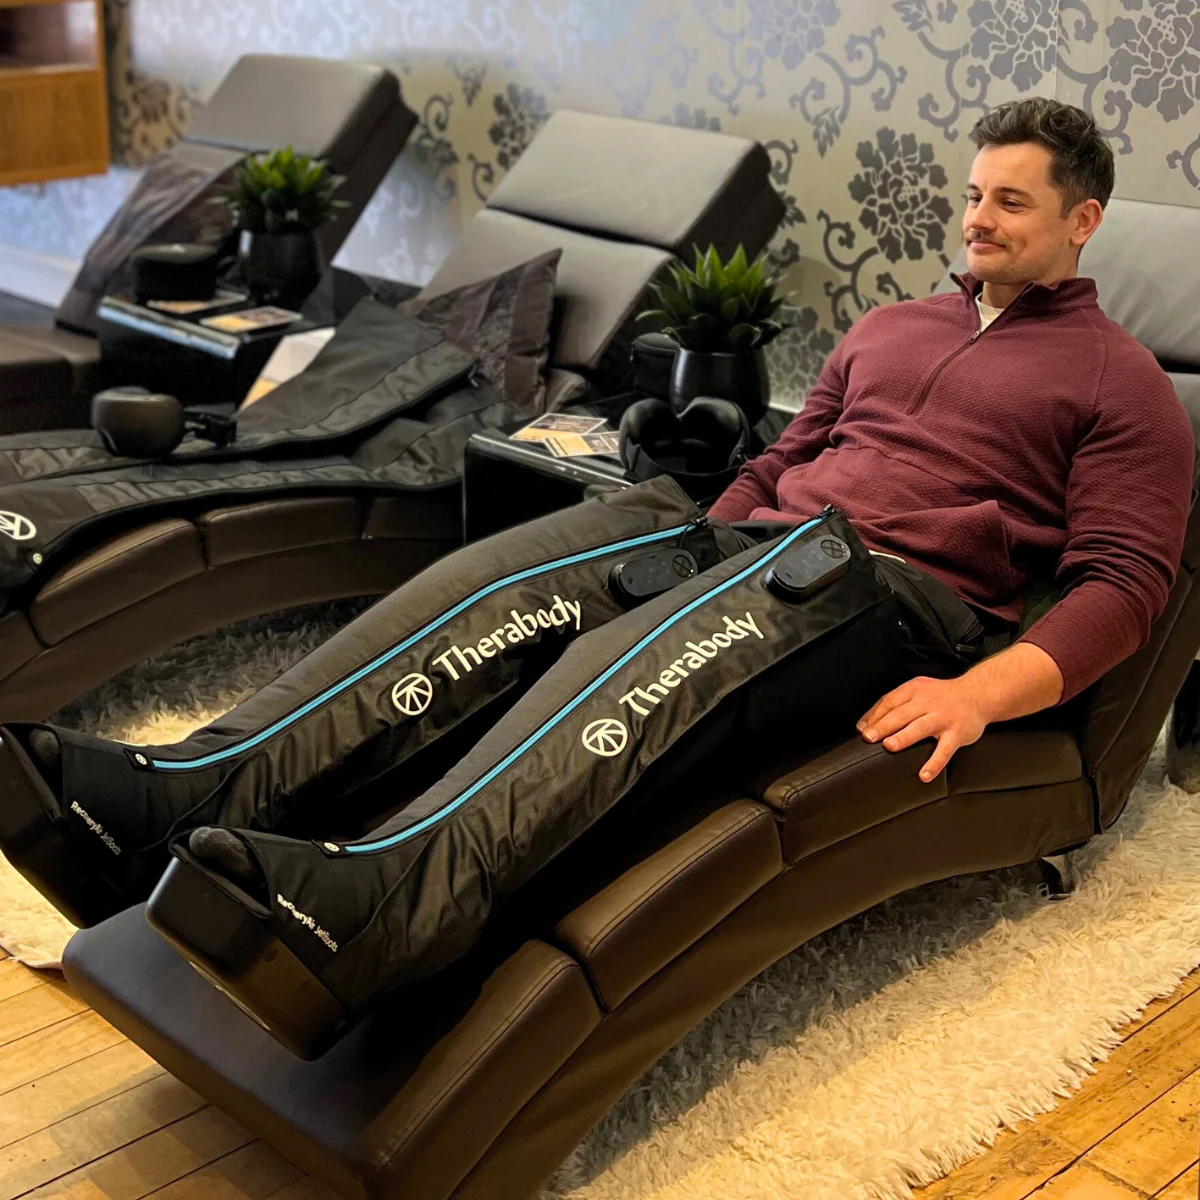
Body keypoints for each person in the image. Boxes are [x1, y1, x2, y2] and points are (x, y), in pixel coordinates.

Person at [709, 95, 1195, 784]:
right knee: (575, 582)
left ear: (1082, 221)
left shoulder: (1124, 382)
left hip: (884, 598)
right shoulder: (888, 326)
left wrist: (975, 695)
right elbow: (778, 463)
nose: (977, 220)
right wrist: (699, 547)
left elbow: (1123, 585)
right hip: (754, 556)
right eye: (974, 196)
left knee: (637, 701)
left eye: (1010, 202)